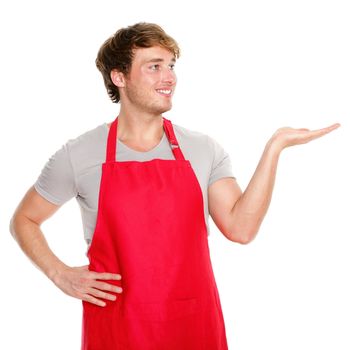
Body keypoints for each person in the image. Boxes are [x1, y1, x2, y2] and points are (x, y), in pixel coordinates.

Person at [9, 22, 340, 349]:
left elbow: (241, 228)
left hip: (194, 327)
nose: (169, 77)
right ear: (119, 77)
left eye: (170, 66)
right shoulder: (79, 155)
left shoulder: (203, 149)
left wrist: (275, 148)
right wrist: (59, 274)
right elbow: (24, 219)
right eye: (154, 67)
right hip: (117, 329)